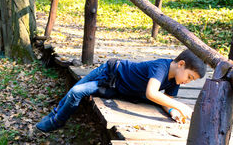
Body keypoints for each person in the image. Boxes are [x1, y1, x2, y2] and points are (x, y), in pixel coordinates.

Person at [35, 49, 207, 132]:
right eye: (190, 77)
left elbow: (164, 100)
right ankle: (56, 119)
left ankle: (55, 117)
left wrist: (173, 111)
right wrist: (182, 106)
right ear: (181, 64)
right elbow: (152, 94)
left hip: (117, 89)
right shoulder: (161, 66)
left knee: (77, 92)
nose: (187, 82)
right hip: (109, 73)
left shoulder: (174, 80)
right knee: (75, 91)